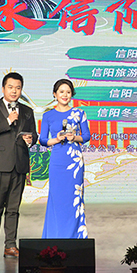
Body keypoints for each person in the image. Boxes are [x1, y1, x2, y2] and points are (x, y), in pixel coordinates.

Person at [0, 72, 38, 260]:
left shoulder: (27, 111)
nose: (14, 91)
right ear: (3, 88)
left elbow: (34, 134)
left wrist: (31, 139)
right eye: (11, 87)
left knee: (13, 209)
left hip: (19, 165)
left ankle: (10, 246)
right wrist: (8, 120)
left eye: (18, 88)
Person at [39, 78, 91, 238]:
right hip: (57, 160)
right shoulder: (48, 115)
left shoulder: (79, 113)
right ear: (55, 94)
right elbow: (42, 140)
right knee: (56, 198)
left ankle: (74, 236)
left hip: (74, 161)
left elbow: (86, 136)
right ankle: (55, 236)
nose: (65, 95)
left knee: (73, 199)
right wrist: (56, 139)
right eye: (61, 91)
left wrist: (74, 138)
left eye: (68, 92)